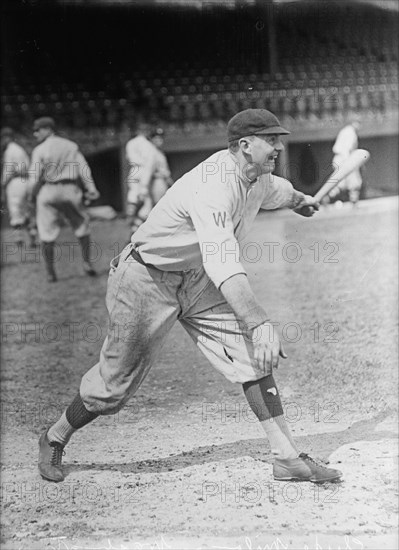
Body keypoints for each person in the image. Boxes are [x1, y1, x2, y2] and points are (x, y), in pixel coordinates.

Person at [38, 109, 342, 484]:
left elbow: (277, 190)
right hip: (146, 278)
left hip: (194, 278)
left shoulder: (257, 175)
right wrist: (260, 322)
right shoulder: (214, 185)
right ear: (244, 146)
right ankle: (54, 436)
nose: (279, 146)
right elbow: (223, 260)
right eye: (272, 140)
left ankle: (287, 458)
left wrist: (300, 200)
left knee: (252, 358)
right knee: (111, 388)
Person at [28, 117, 100, 282]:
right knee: (82, 226)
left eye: (38, 130)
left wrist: (31, 196)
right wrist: (91, 188)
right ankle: (87, 263)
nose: (35, 134)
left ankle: (50, 272)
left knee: (46, 233)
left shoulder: (39, 149)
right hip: (70, 189)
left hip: (48, 190)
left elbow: (33, 177)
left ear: (47, 129)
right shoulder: (70, 145)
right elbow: (84, 169)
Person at [125, 124, 173, 235]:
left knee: (150, 210)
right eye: (156, 137)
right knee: (157, 209)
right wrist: (144, 187)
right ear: (151, 138)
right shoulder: (151, 150)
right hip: (156, 181)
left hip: (158, 181)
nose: (159, 140)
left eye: (160, 138)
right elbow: (148, 170)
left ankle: (135, 230)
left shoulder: (157, 151)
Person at [1, 127, 37, 247]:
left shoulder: (9, 150)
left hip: (15, 182)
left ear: (7, 137)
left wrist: (3, 183)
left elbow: (8, 171)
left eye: (3, 138)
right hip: (26, 181)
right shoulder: (20, 149)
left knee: (15, 211)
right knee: (27, 211)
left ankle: (19, 240)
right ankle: (33, 238)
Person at [327, 118, 363, 206]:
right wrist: (349, 162)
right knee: (354, 182)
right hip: (344, 159)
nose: (359, 125)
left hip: (339, 159)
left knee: (340, 184)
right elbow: (347, 149)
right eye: (357, 123)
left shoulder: (345, 130)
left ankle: (327, 197)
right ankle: (354, 203)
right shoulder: (351, 133)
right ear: (353, 122)